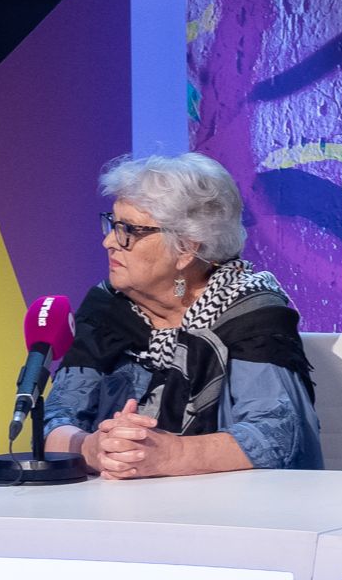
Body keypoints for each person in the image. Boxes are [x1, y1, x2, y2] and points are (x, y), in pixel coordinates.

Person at [43, 154, 321, 477]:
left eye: (127, 230)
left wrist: (170, 455)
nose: (108, 242)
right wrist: (91, 448)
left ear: (186, 249)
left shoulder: (251, 313)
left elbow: (277, 435)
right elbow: (56, 418)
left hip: (236, 502)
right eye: (111, 223)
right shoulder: (107, 308)